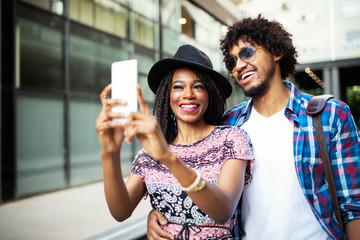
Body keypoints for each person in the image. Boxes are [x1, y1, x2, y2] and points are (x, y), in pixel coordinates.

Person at [146, 15, 360, 240]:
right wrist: (159, 214)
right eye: (232, 62)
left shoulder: (329, 115)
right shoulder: (228, 123)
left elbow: (353, 204)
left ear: (276, 52)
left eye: (247, 53)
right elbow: (198, 188)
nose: (238, 66)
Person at [95, 44, 254, 239]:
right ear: (167, 96)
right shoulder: (149, 154)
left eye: (198, 86)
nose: (188, 94)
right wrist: (109, 154)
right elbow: (120, 212)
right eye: (178, 87)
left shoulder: (230, 139)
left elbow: (223, 211)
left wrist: (168, 158)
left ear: (209, 94)